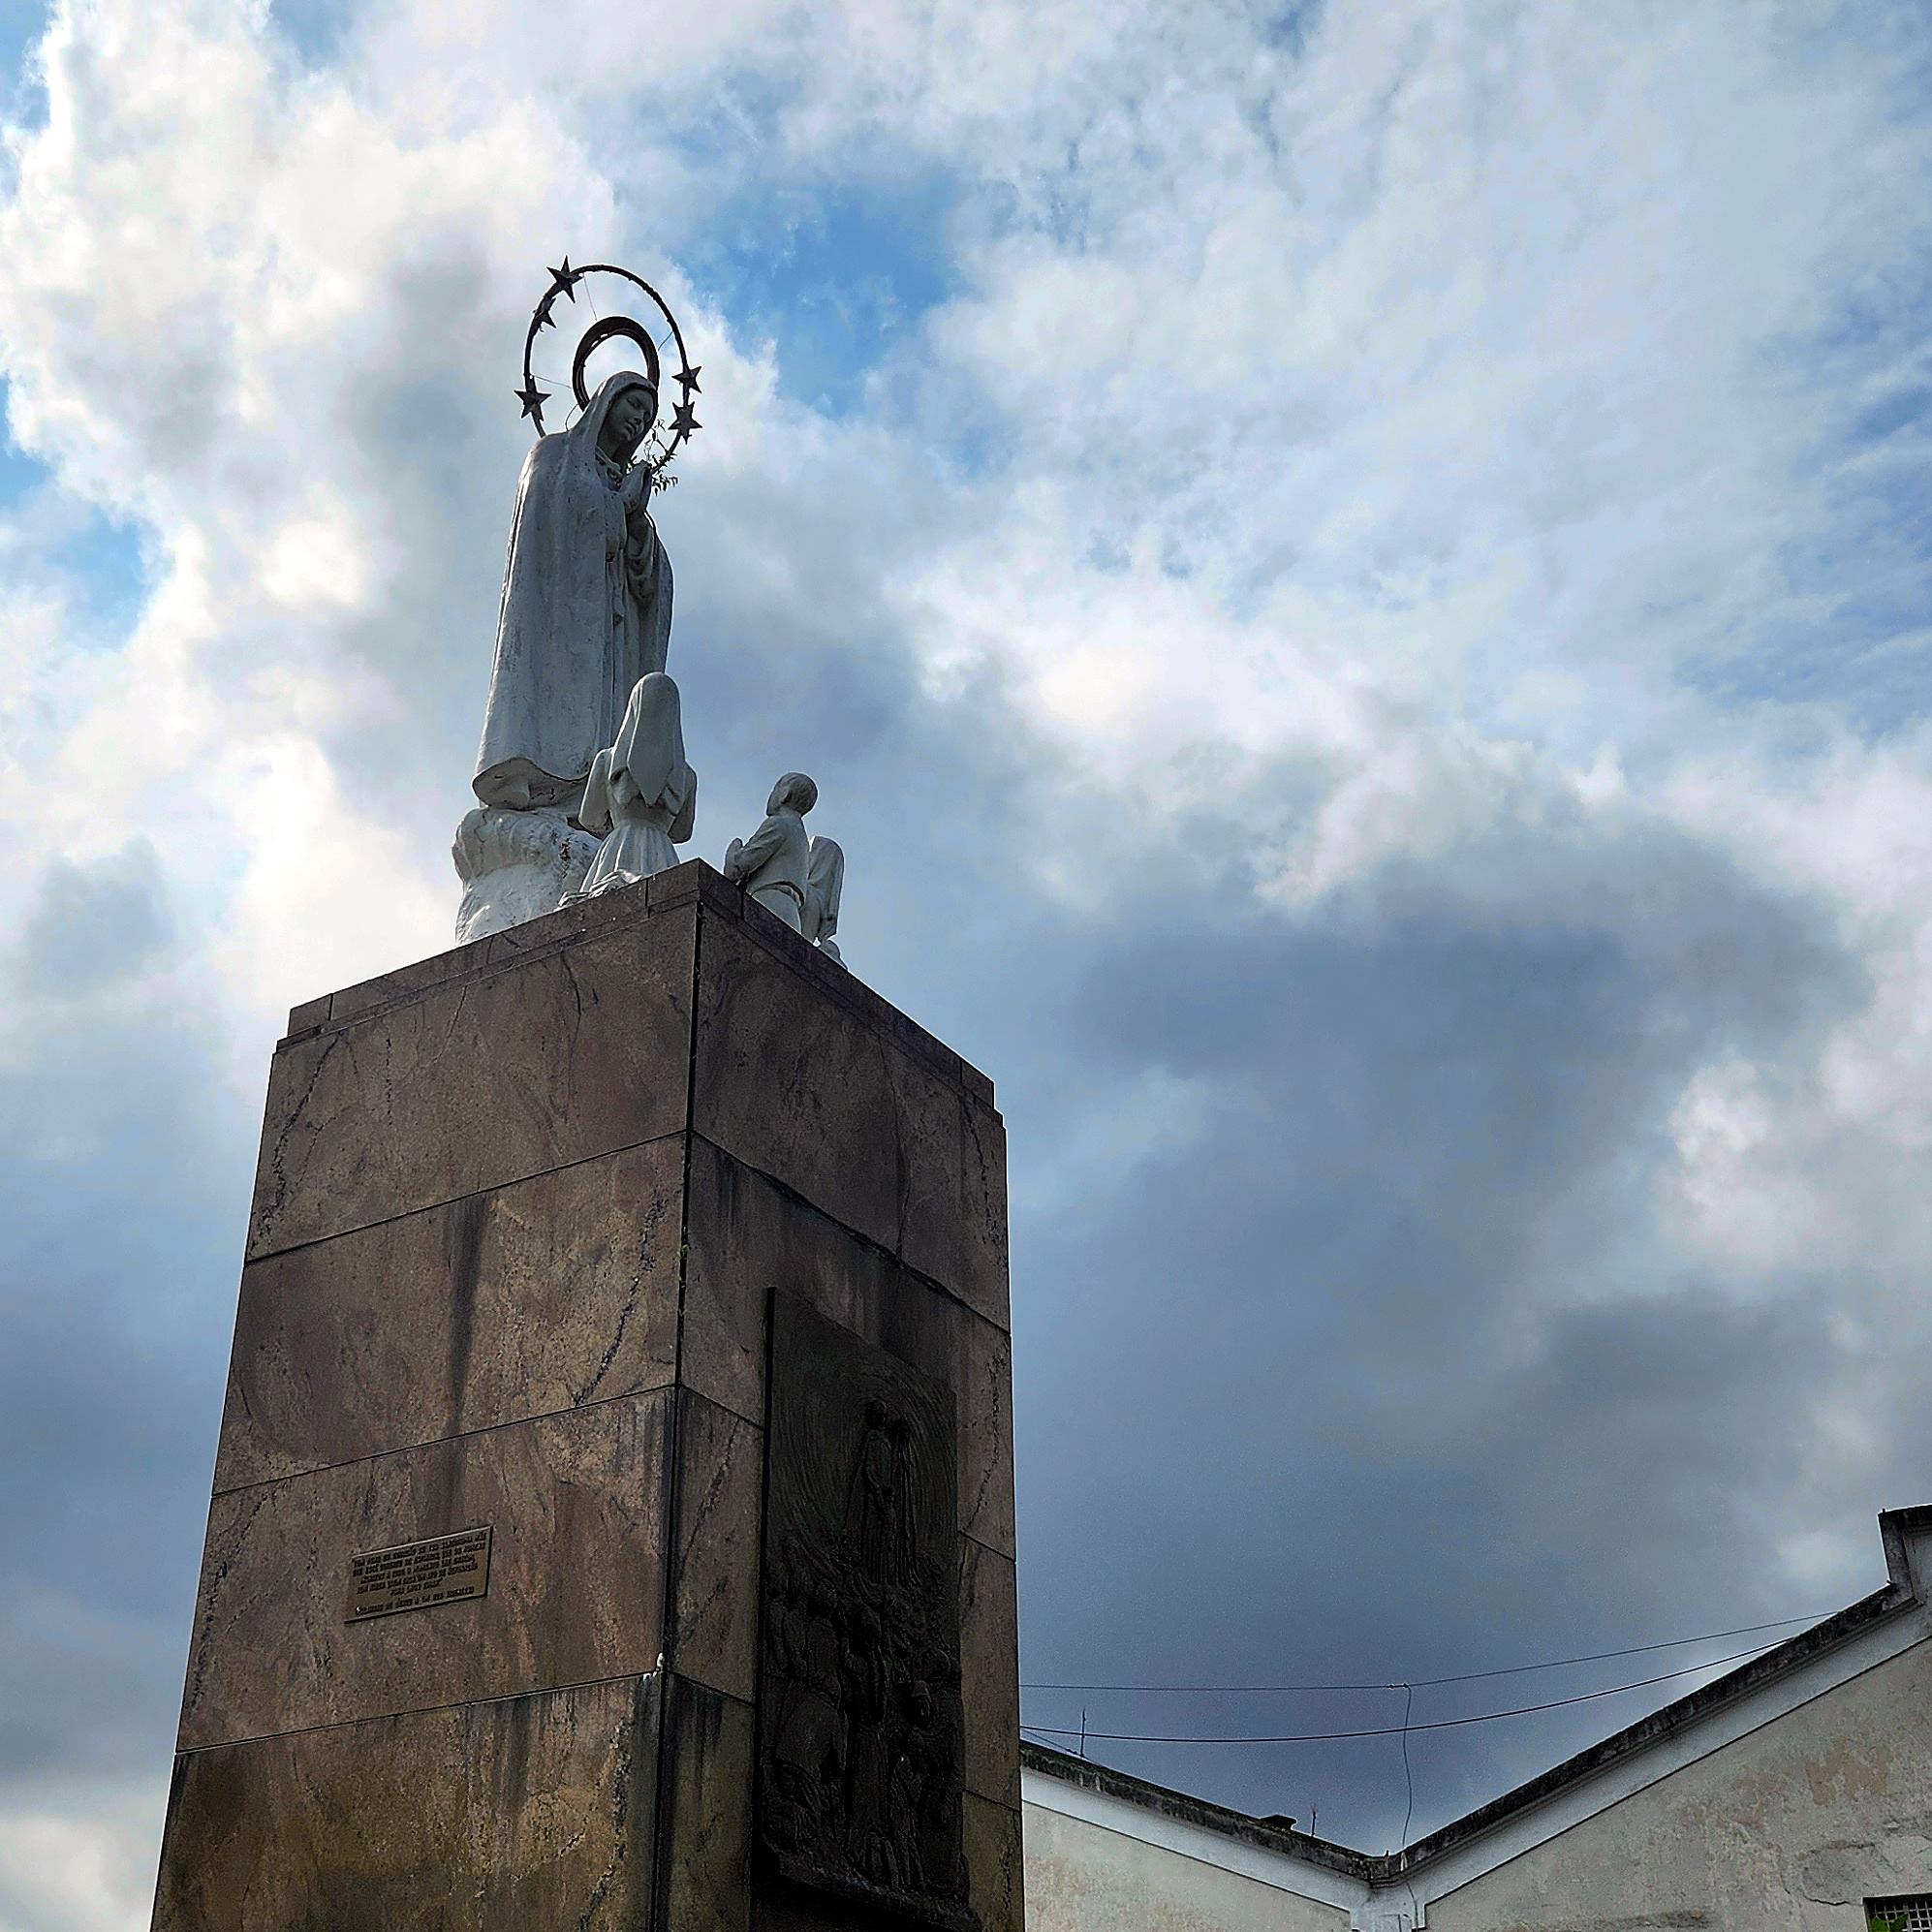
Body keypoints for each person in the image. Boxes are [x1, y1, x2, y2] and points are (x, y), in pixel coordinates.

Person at [472, 369, 673, 813]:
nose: (639, 421)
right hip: (559, 619)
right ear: (606, 401)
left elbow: (648, 578)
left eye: (648, 416)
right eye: (634, 406)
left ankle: (589, 797)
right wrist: (617, 508)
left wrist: (637, 523)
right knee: (557, 701)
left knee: (605, 712)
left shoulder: (622, 482)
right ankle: (531, 776)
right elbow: (553, 516)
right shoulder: (554, 455)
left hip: (609, 627)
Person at [570, 672, 697, 899]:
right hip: (661, 852)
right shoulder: (686, 775)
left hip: (619, 846)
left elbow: (589, 818)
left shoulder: (607, 760)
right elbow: (682, 831)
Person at [723, 773, 817, 931]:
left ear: (783, 794)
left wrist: (732, 853)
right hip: (792, 914)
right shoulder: (800, 836)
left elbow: (741, 865)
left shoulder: (779, 824)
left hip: (767, 901)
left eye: (775, 789)